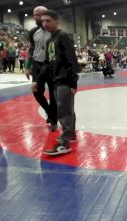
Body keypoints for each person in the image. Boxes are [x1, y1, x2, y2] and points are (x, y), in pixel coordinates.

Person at [41, 10, 79, 156]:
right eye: (43, 21)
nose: (45, 24)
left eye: (48, 21)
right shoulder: (50, 39)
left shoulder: (63, 36)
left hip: (65, 80)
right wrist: (40, 80)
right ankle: (72, 135)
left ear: (57, 21)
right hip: (57, 79)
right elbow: (49, 62)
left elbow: (72, 59)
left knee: (63, 111)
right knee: (67, 109)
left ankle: (64, 143)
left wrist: (73, 83)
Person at [25, 6, 58, 131]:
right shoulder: (33, 32)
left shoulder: (54, 31)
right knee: (36, 93)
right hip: (37, 65)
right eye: (34, 15)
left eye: (38, 15)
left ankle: (53, 120)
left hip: (51, 66)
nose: (36, 17)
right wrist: (27, 66)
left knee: (53, 95)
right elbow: (30, 49)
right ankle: (50, 113)